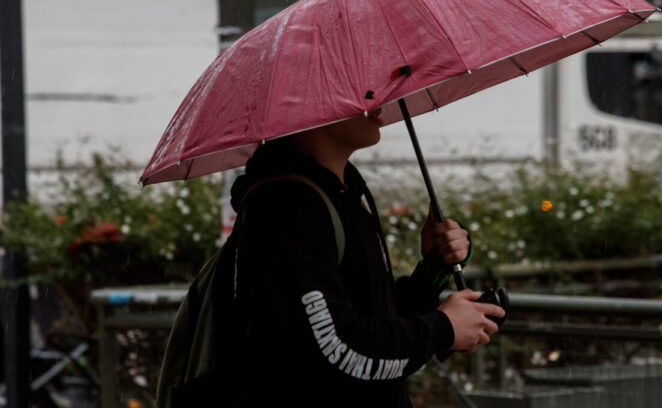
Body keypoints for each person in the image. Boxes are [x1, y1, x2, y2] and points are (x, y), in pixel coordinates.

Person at [157, 108, 504, 407]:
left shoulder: (342, 196)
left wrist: (433, 270)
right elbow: (336, 350)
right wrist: (441, 329)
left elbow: (373, 321)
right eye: (353, 87)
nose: (375, 99)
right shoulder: (288, 207)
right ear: (310, 106)